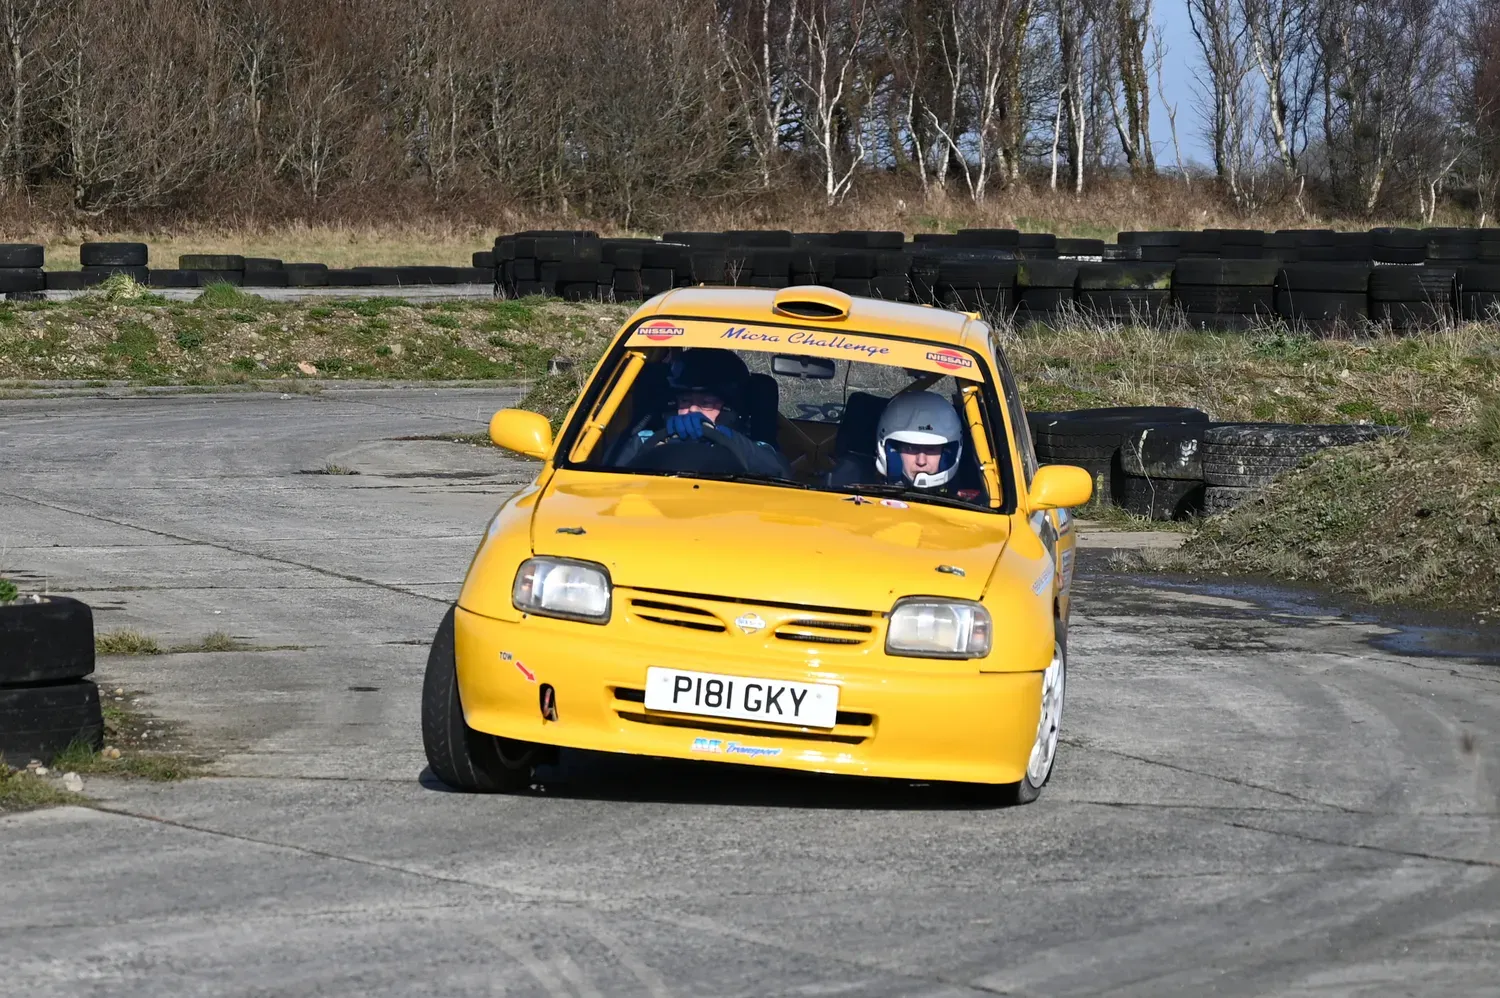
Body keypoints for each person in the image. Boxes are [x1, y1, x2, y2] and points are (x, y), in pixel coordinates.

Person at [614, 348, 790, 478]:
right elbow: (613, 474)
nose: (692, 410)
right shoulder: (645, 438)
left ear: (730, 409)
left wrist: (727, 439)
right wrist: (657, 442)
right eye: (685, 401)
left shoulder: (753, 446)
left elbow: (779, 471)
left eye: (706, 403)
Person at [829, 390, 976, 498]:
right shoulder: (849, 488)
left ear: (948, 453)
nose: (921, 461)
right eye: (911, 448)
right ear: (892, 450)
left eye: (931, 449)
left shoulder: (977, 501)